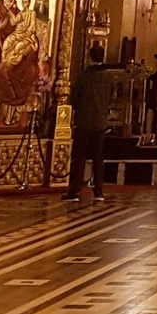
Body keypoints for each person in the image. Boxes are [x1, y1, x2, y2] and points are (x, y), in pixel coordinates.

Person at [65, 43, 120, 204]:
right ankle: (99, 191)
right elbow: (111, 98)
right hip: (100, 122)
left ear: (89, 58)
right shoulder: (108, 78)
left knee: (80, 157)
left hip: (83, 121)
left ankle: (75, 190)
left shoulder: (83, 76)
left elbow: (75, 99)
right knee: (98, 157)